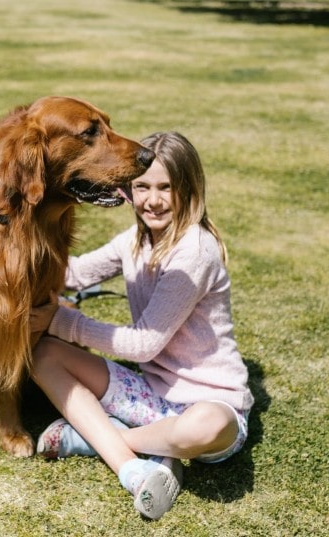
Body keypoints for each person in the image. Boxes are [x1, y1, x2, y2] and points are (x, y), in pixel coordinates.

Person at [29, 131, 254, 520]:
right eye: (142, 186)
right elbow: (75, 274)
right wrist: (20, 262)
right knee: (44, 354)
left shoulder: (194, 252)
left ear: (190, 189)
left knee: (199, 428)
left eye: (166, 188)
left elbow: (144, 345)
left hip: (212, 406)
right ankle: (135, 466)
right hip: (150, 396)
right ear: (128, 188)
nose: (152, 200)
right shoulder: (134, 241)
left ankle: (92, 439)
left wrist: (61, 320)